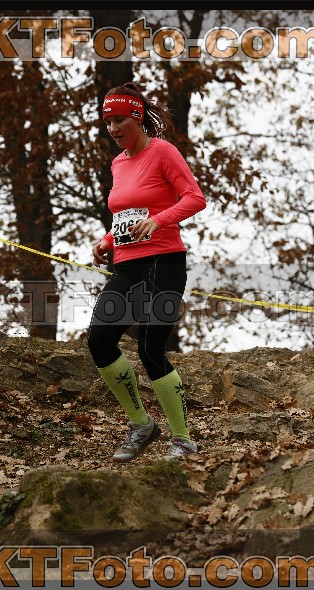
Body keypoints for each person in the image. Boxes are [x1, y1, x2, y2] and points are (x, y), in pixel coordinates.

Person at [88, 82, 206, 462]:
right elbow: (124, 216)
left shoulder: (163, 152)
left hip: (164, 262)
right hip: (127, 264)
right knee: (100, 340)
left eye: (119, 120)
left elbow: (195, 198)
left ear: (137, 117)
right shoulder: (118, 164)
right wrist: (107, 241)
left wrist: (159, 220)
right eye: (108, 122)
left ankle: (183, 440)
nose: (113, 128)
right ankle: (142, 425)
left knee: (150, 348)